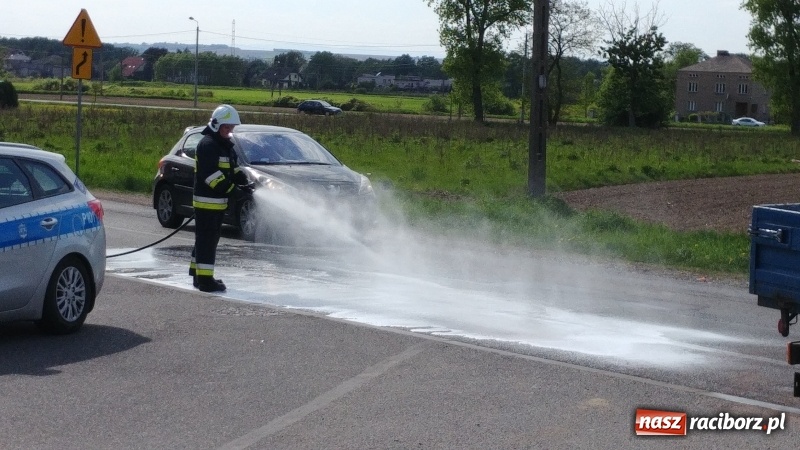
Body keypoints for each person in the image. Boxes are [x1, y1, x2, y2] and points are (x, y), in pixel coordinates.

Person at [189, 104, 253, 292]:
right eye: (227, 127)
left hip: (216, 203)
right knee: (207, 241)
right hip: (207, 203)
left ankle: (197, 275)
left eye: (232, 128)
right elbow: (211, 176)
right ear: (216, 124)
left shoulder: (224, 145)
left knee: (205, 240)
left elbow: (232, 168)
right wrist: (234, 191)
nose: (229, 131)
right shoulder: (208, 145)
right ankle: (205, 281)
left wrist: (243, 180)